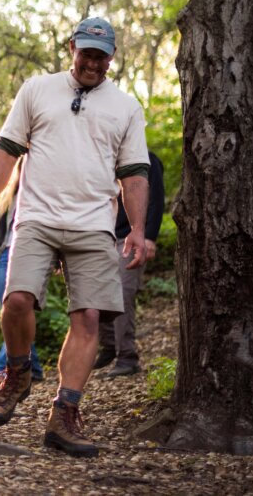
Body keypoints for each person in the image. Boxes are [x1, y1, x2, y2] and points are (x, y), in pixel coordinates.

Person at [0, 16, 150, 458]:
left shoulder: (126, 107)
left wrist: (139, 230)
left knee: (88, 318)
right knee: (16, 301)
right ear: (72, 47)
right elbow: (7, 149)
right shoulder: (37, 89)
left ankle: (64, 413)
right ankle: (17, 373)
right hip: (36, 217)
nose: (93, 61)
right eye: (86, 52)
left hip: (94, 223)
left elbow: (135, 174)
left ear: (112, 58)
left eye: (101, 55)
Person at [94, 150, 165, 378]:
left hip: (131, 238)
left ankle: (127, 356)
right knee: (96, 294)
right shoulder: (102, 160)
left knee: (122, 294)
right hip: (103, 236)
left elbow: (155, 201)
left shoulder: (147, 159)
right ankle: (109, 348)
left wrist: (149, 237)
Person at [0, 161, 44, 385]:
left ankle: (3, 366)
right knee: (10, 310)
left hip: (31, 254)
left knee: (19, 308)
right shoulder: (7, 196)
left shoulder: (43, 197)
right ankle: (35, 368)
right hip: (5, 256)